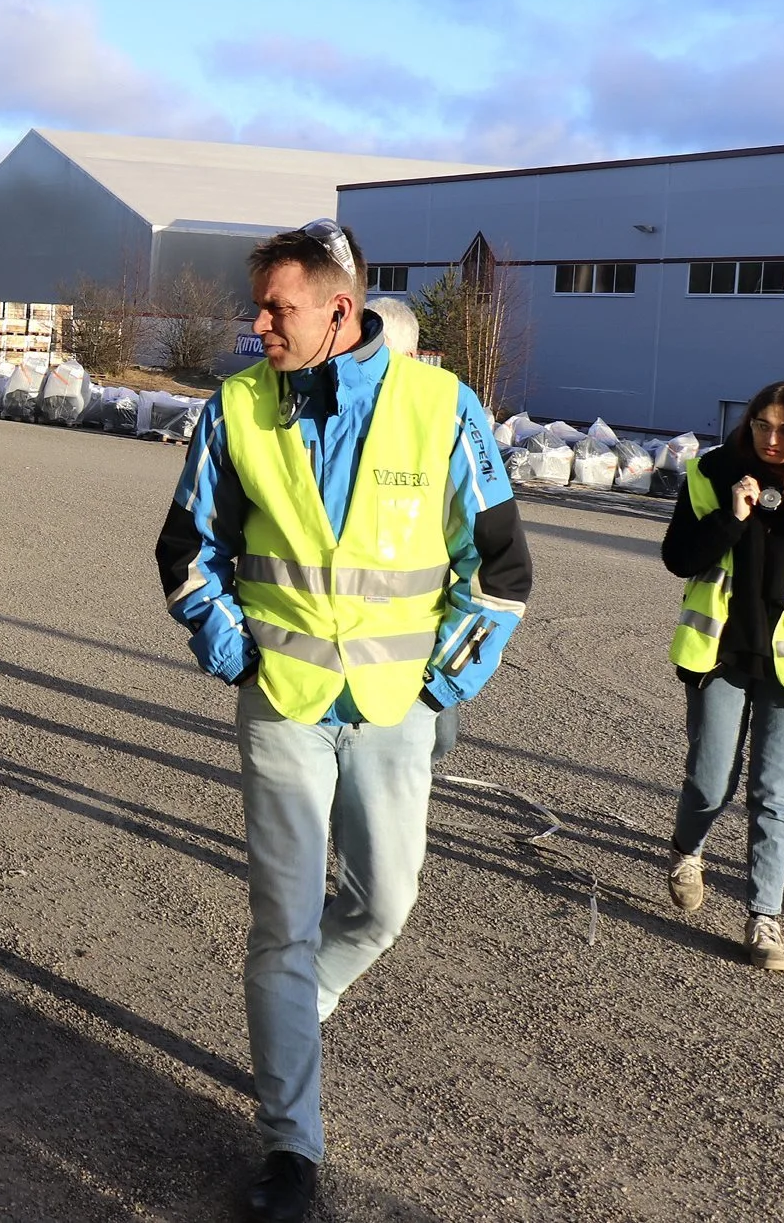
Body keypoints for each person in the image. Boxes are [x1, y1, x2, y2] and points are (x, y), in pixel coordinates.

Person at [154, 221, 532, 1222]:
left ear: (339, 307)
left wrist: (440, 686)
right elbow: (187, 552)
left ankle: (301, 1006)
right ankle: (291, 1150)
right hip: (281, 709)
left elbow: (499, 570)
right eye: (260, 306)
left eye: (277, 307)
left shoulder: (440, 409)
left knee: (385, 904)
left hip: (394, 714)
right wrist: (237, 653)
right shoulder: (238, 408)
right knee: (280, 926)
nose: (258, 323)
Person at [660, 380, 784, 971]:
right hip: (720, 657)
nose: (772, 439)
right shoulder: (712, 474)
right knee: (709, 783)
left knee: (775, 796)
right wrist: (732, 518)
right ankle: (686, 849)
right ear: (747, 423)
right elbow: (678, 558)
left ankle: (764, 921)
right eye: (761, 425)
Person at [367, 295, 463, 765]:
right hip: (344, 629)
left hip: (420, 627)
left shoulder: (445, 416)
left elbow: (485, 546)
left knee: (437, 737)